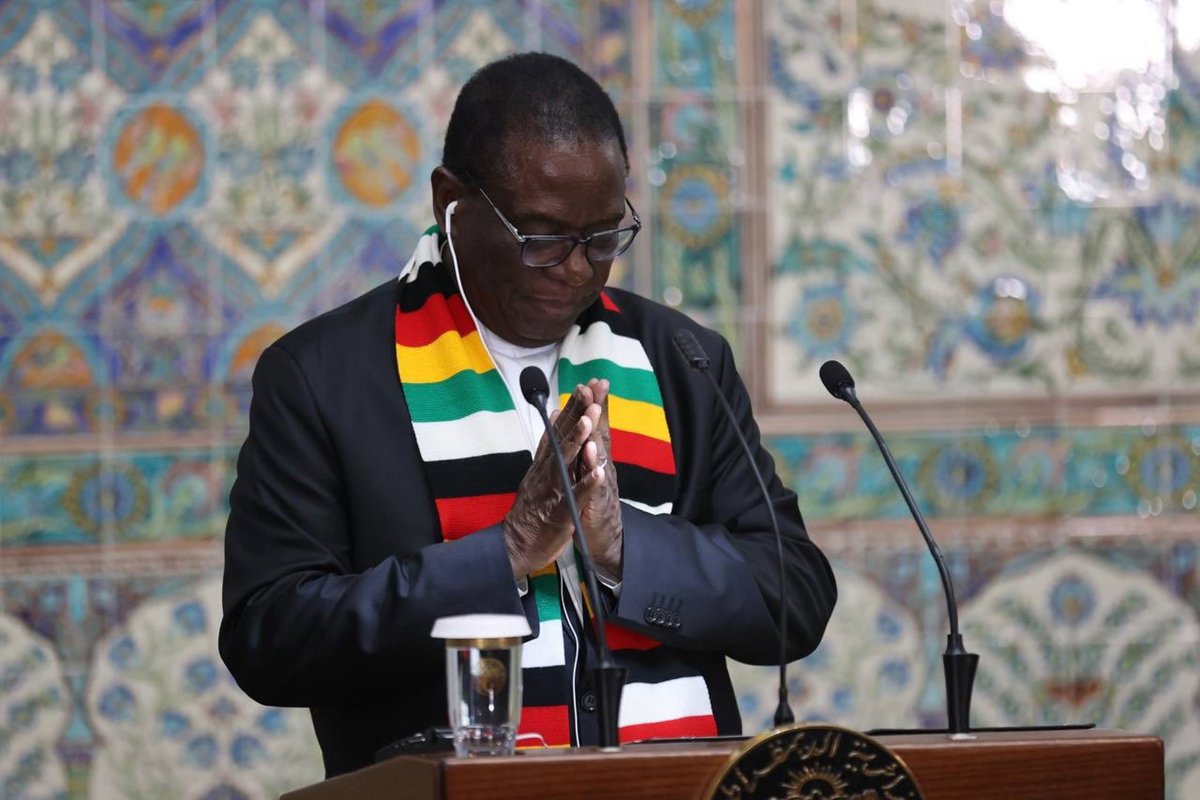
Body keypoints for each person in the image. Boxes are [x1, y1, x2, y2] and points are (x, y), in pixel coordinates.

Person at [219, 51, 837, 778]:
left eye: (602, 238)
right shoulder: (328, 377)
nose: (577, 269)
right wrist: (506, 553)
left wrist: (622, 548)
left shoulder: (681, 359)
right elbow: (270, 636)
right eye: (542, 237)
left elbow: (795, 593)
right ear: (450, 202)